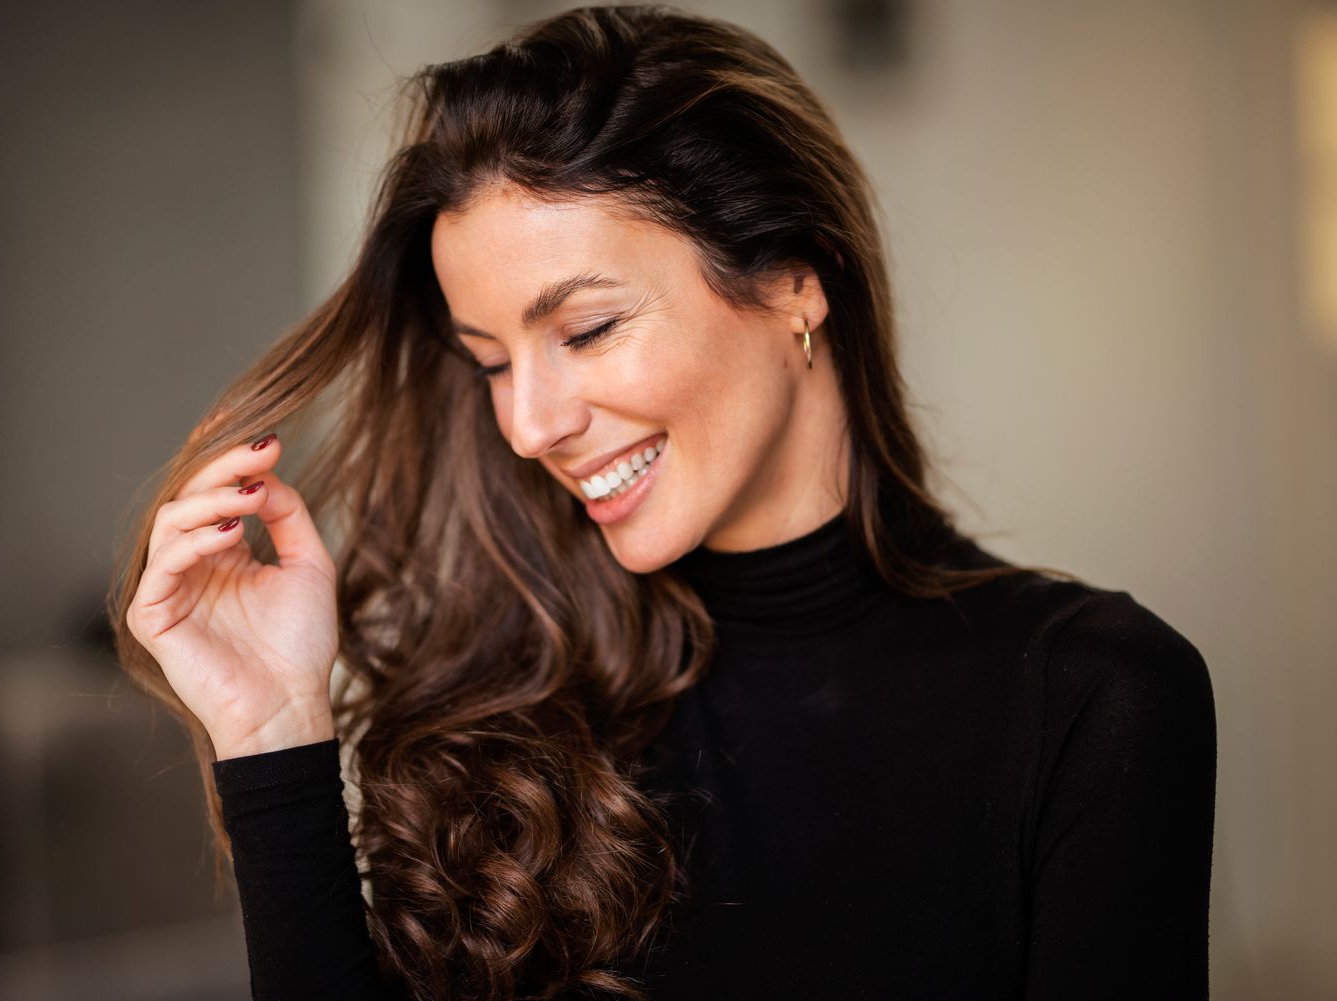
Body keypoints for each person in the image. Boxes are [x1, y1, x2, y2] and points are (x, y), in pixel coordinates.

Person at [110, 6, 1217, 1000]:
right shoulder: (505, 697)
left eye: (585, 330)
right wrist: (273, 735)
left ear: (794, 279)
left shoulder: (1091, 700)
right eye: (489, 361)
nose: (528, 424)